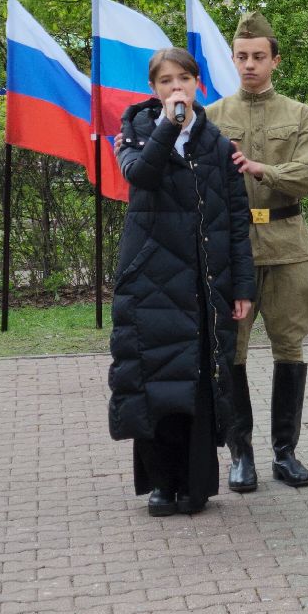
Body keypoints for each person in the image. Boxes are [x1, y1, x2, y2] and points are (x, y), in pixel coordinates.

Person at [108, 48, 256, 517]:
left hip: (203, 280)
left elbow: (236, 222)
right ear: (154, 90)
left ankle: (194, 485)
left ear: (198, 85)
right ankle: (159, 484)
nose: (177, 89)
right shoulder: (132, 135)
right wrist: (168, 126)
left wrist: (242, 288)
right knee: (152, 378)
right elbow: (143, 176)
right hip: (150, 281)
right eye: (166, 82)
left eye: (184, 80)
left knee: (195, 381)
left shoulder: (218, 145)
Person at [204, 13, 308, 492]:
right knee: (231, 350)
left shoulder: (299, 115)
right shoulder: (212, 117)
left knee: (289, 348)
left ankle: (285, 452)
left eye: (259, 56)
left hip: (287, 244)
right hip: (232, 252)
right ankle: (241, 455)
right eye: (242, 56)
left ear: (275, 59)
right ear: (233, 59)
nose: (250, 64)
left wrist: (261, 170)